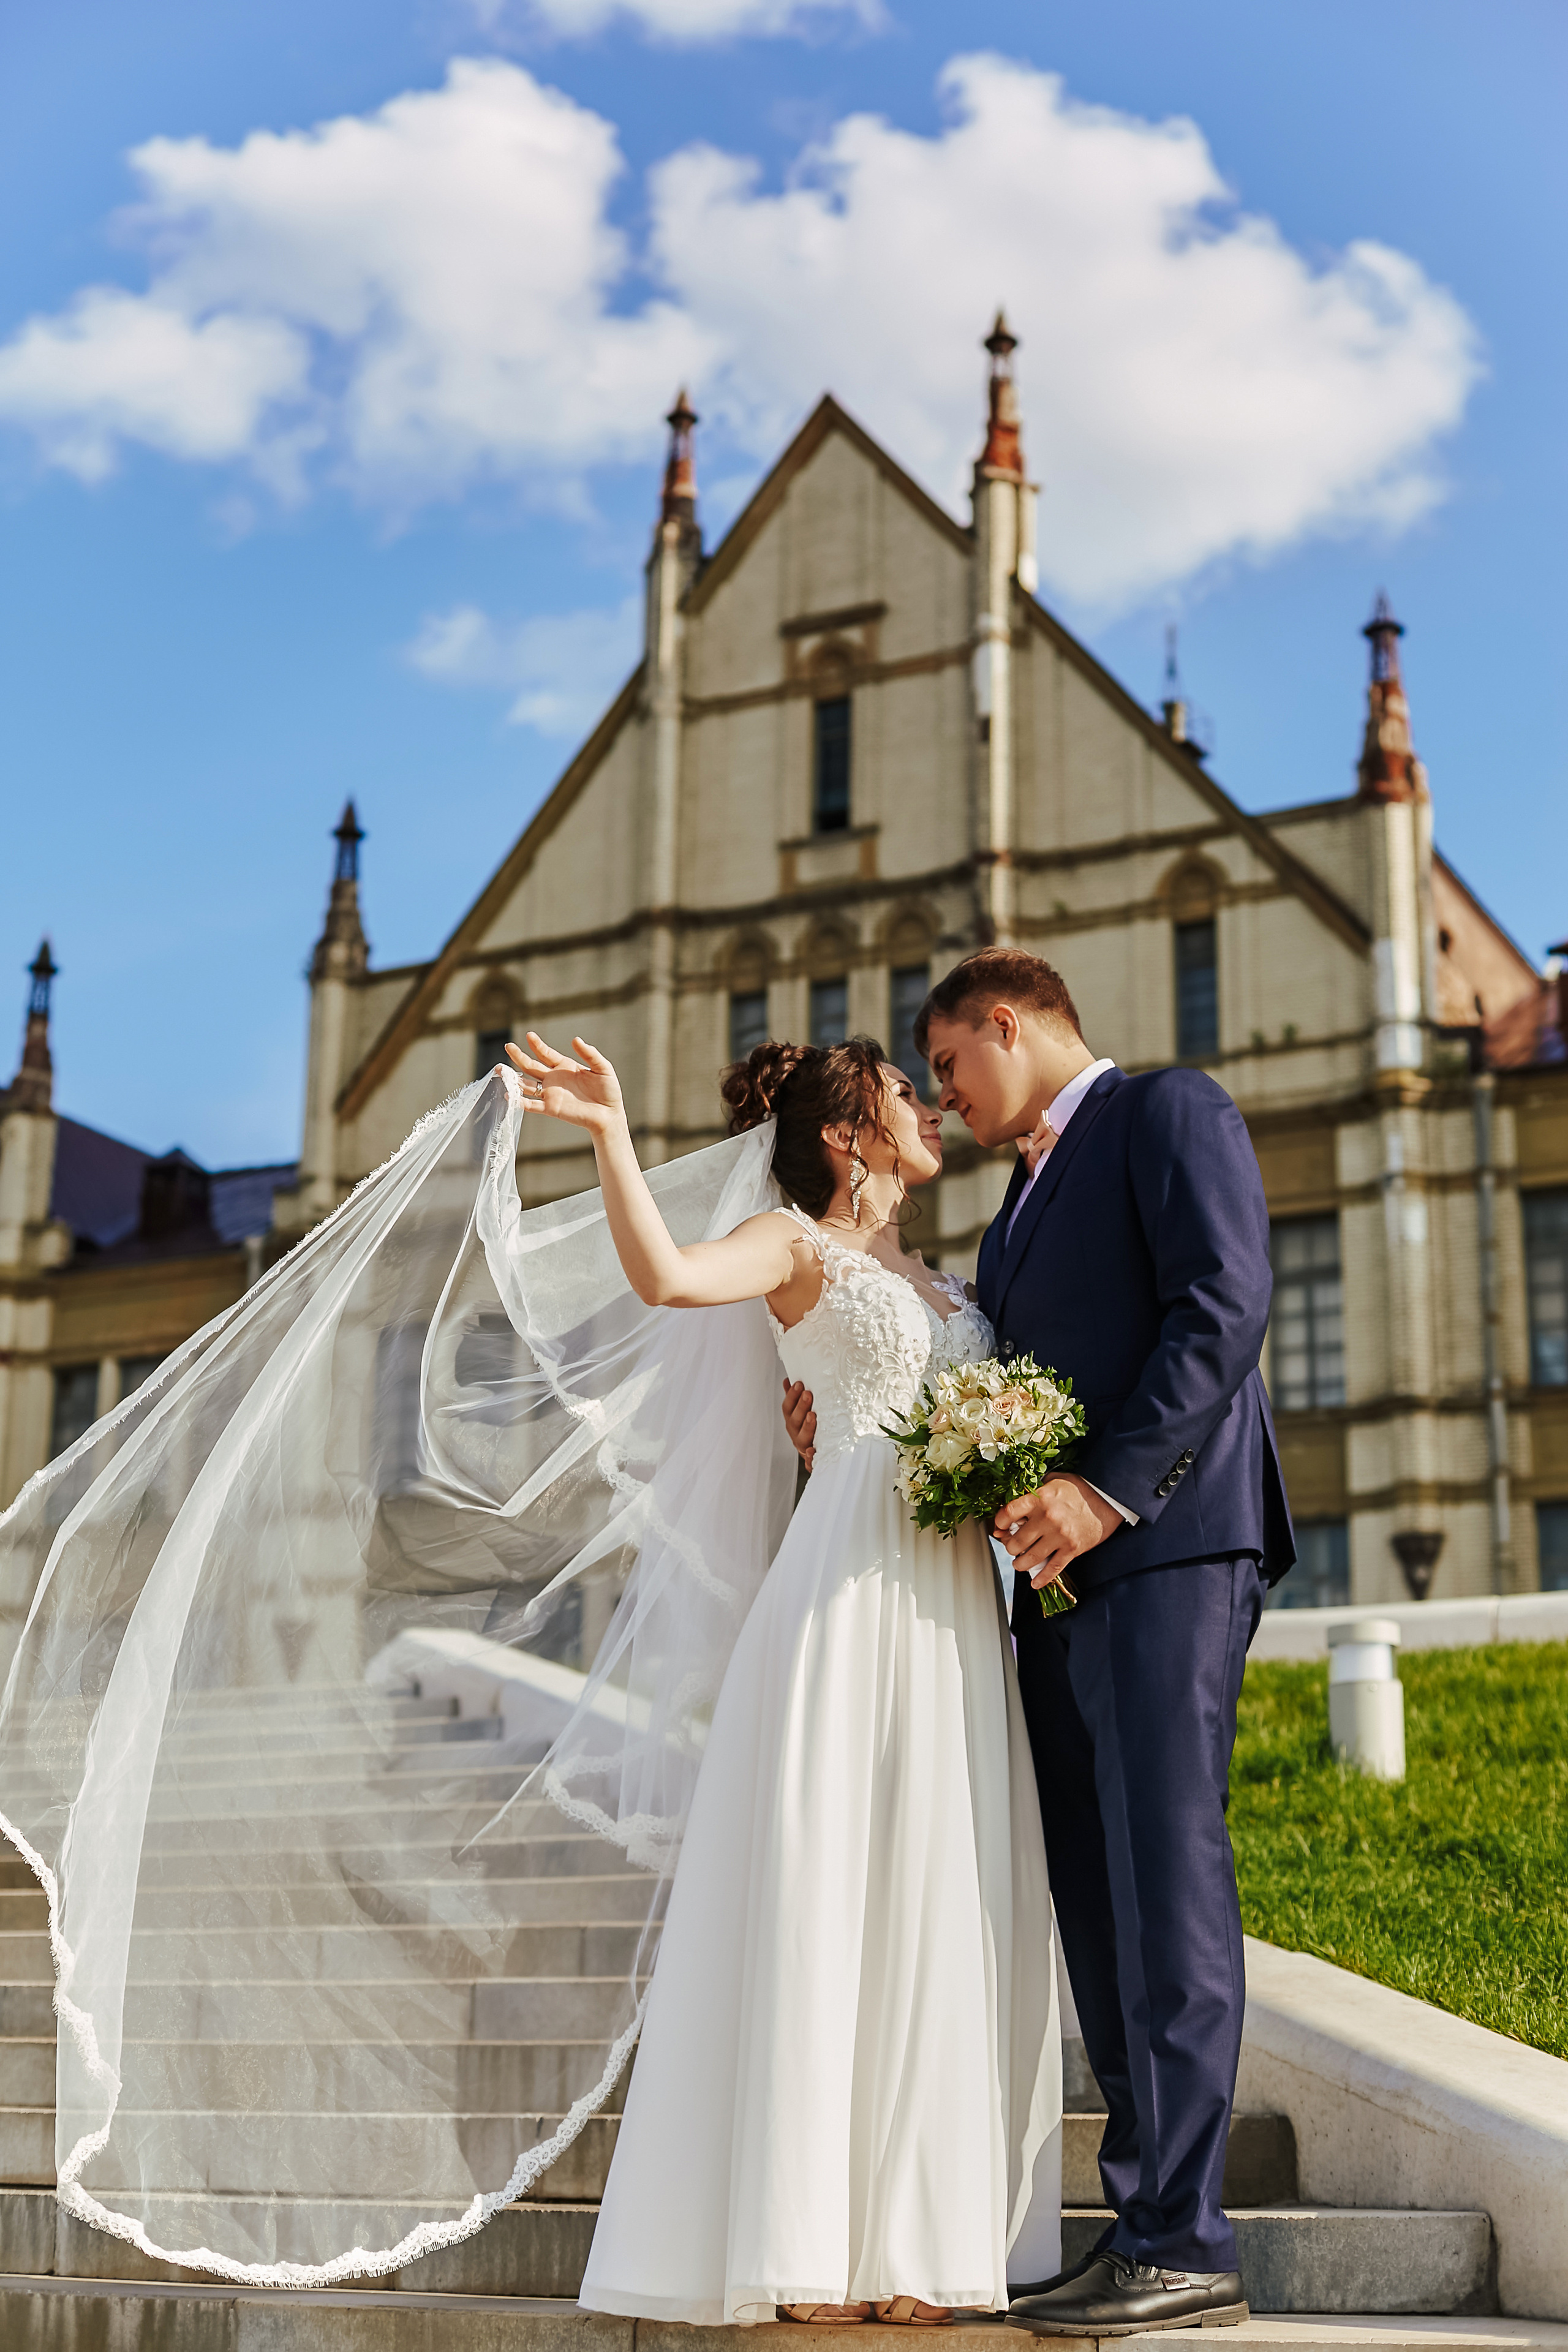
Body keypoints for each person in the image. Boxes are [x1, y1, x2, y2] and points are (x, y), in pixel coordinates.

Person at [506, 1026, 1063, 2327]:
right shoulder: (791, 1244)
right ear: (842, 1134)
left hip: (952, 1617)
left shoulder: (939, 1278)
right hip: (844, 1597)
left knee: (937, 1894)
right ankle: (805, 2236)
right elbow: (663, 1278)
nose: (928, 1107)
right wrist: (607, 1133)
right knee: (832, 1894)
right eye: (901, 1095)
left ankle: (922, 2243)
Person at [785, 948, 1294, 2338]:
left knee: (1164, 1878)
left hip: (1168, 1549)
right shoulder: (1012, 1216)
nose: (941, 1094)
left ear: (1004, 1023)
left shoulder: (1166, 1113)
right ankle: (1140, 2220)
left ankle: (1187, 2236)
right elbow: (982, 1372)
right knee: (1095, 1897)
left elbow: (1220, 1305)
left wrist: (1104, 1486)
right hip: (1053, 1589)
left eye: (946, 1062)